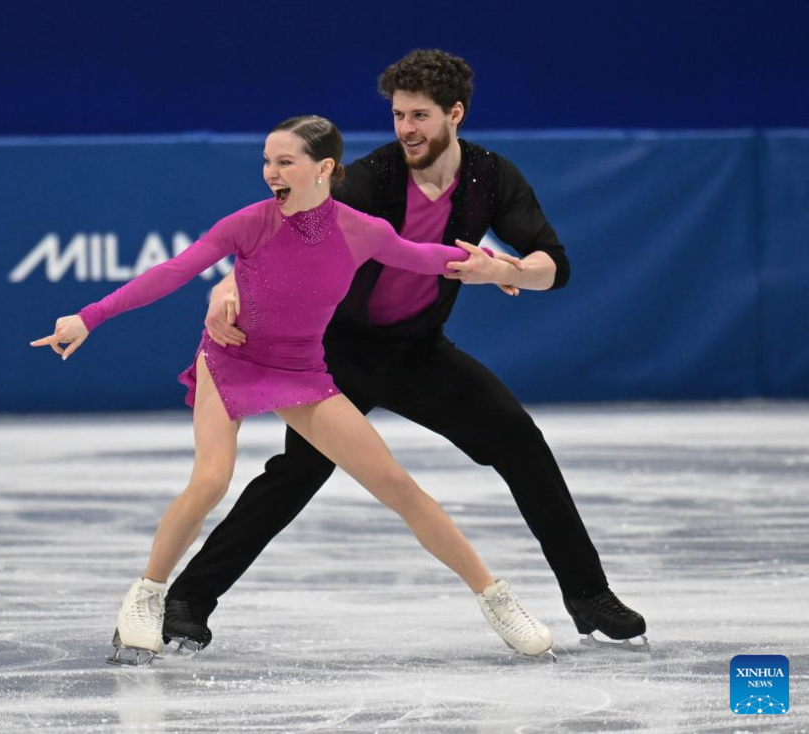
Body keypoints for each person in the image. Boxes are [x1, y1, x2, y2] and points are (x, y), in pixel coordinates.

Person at [162, 49, 647, 652]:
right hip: (339, 353)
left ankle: (588, 594)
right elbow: (283, 236)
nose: (406, 129)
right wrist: (228, 285)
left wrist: (506, 270)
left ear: (455, 114)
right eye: (397, 115)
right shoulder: (372, 178)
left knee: (521, 443)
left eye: (419, 115)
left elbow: (554, 266)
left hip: (419, 352)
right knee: (297, 474)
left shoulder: (492, 177)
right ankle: (186, 600)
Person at [32, 114, 556, 664]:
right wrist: (89, 317)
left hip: (301, 371)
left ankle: (495, 598)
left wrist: (498, 267)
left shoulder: (360, 230)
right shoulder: (249, 223)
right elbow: (175, 271)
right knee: (212, 479)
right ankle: (146, 596)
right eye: (266, 161)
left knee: (396, 484)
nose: (270, 173)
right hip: (232, 358)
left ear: (324, 168)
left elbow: (425, 257)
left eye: (285, 162)